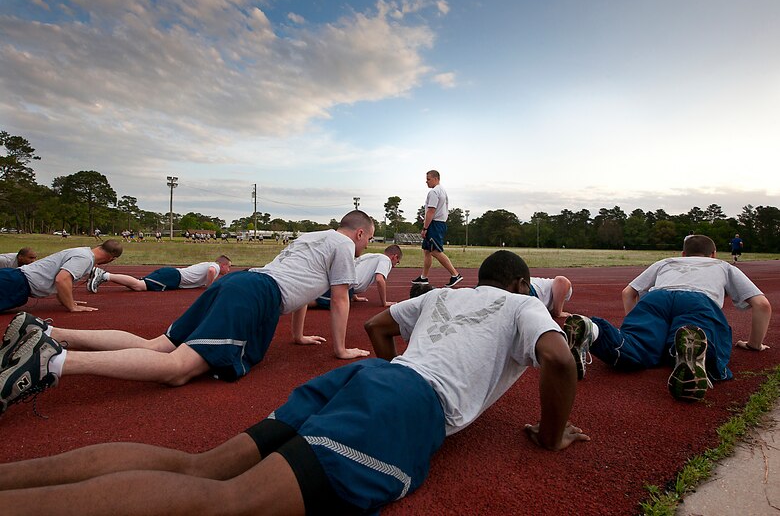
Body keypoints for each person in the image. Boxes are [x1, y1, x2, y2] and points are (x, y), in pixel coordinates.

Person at [0, 250, 588, 514]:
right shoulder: (519, 305)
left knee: (202, 466)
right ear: (519, 284)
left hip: (366, 378)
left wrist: (387, 370)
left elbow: (381, 325)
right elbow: (560, 362)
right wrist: (549, 435)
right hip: (405, 402)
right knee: (228, 502)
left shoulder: (443, 296)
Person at [0, 211, 375, 413]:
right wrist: (340, 350)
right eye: (369, 239)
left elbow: (300, 287)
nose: (366, 246)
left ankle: (47, 332)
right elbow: (340, 298)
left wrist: (296, 336)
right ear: (359, 233)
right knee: (178, 371)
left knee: (157, 345)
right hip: (255, 296)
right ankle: (51, 363)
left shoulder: (311, 237)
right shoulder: (344, 245)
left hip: (242, 284)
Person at [563, 235, 771, 401]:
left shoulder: (666, 262)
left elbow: (629, 292)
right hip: (698, 300)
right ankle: (690, 354)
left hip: (656, 298)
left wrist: (635, 321)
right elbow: (762, 305)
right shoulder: (723, 266)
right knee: (704, 338)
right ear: (713, 254)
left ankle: (594, 331)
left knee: (635, 346)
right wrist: (754, 344)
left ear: (683, 253)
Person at [0, 240, 123, 314]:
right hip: (16, 284)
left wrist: (67, 300)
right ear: (111, 258)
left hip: (15, 281)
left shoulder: (82, 252)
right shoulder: (85, 258)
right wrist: (71, 306)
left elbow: (61, 279)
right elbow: (62, 279)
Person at [411, 170, 463, 288]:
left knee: (435, 251)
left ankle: (455, 274)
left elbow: (431, 211)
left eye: (428, 179)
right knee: (427, 250)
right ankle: (424, 277)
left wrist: (425, 228)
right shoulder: (442, 190)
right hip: (438, 223)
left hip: (435, 224)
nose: (426, 181)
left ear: (436, 178)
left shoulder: (434, 192)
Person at [311, 245, 403, 308]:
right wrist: (384, 302)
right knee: (319, 302)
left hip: (341, 279)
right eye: (397, 262)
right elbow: (379, 279)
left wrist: (354, 296)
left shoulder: (371, 256)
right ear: (394, 257)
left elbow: (354, 268)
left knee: (316, 296)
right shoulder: (386, 260)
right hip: (345, 285)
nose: (395, 265)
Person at [86, 256, 232, 293]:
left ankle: (104, 276)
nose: (229, 270)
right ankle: (104, 275)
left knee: (138, 285)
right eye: (229, 267)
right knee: (139, 285)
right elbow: (212, 271)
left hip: (172, 274)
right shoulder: (215, 266)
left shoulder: (209, 264)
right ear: (223, 264)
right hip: (173, 277)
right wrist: (209, 285)